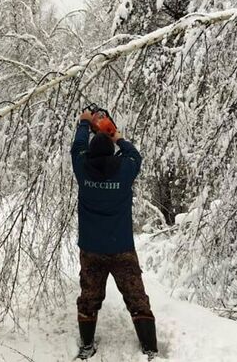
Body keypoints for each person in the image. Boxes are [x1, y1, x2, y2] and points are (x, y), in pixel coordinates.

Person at [70, 109, 158, 360]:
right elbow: (133, 154)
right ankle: (150, 349)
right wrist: (114, 134)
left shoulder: (83, 170)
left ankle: (87, 346)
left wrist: (84, 123)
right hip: (121, 248)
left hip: (91, 249)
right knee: (136, 297)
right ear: (112, 153)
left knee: (89, 297)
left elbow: (77, 148)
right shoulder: (125, 171)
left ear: (90, 153)